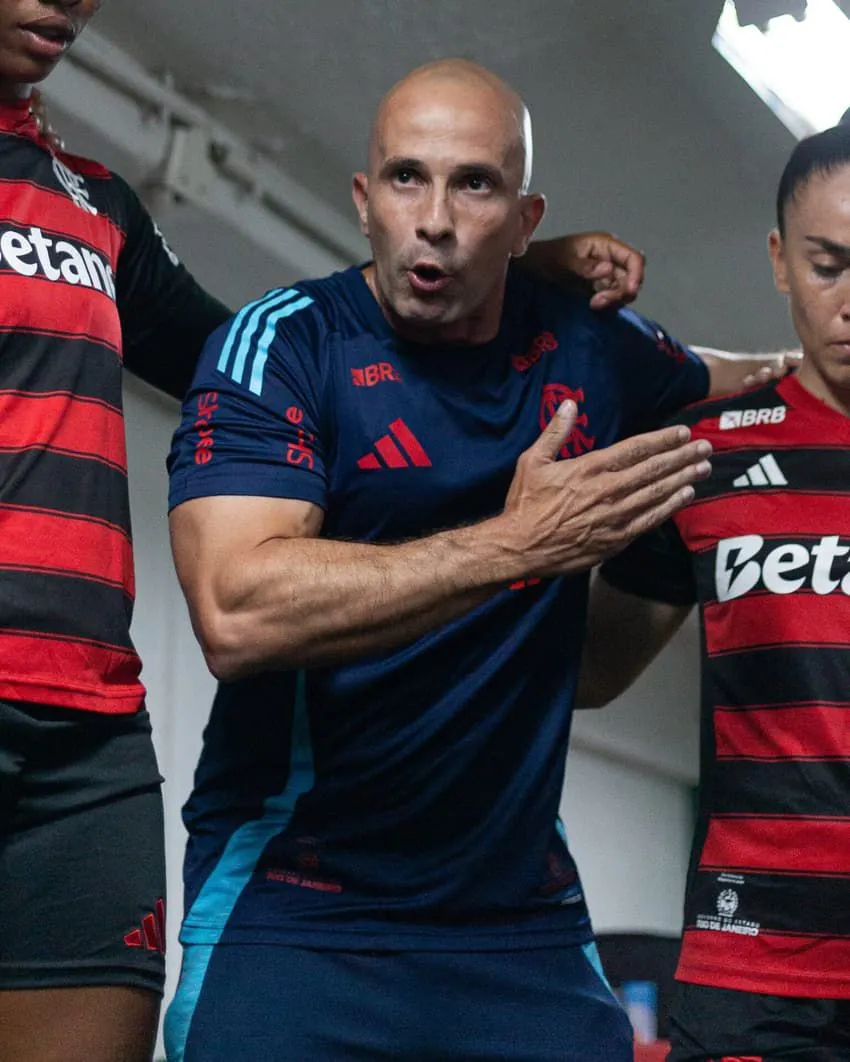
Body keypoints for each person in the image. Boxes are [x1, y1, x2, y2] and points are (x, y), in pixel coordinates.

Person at [0, 8, 681, 1062]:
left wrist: (496, 266)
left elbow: (260, 358)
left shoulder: (92, 203)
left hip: (81, 722)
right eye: (410, 182)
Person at [164, 58, 793, 1062]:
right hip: (300, 913)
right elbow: (236, 614)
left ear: (523, 215)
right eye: (407, 179)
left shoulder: (588, 348)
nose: (437, 219)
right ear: (364, 201)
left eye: (475, 185)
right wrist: (518, 546)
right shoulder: (285, 346)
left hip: (517, 929)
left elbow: (742, 385)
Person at [579, 121, 850, 1060]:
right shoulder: (709, 454)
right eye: (828, 264)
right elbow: (589, 673)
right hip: (751, 976)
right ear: (780, 262)